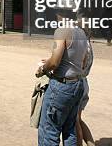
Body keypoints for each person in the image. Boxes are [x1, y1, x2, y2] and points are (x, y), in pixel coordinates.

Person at [36, 10, 88, 146]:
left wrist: (43, 68)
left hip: (61, 86)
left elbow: (54, 62)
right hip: (77, 84)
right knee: (70, 129)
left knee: (49, 130)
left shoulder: (62, 30)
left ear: (60, 14)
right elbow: (83, 61)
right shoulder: (81, 32)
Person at [76, 34, 95, 146]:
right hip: (84, 82)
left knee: (75, 121)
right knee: (78, 119)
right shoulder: (88, 44)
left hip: (77, 82)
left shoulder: (80, 44)